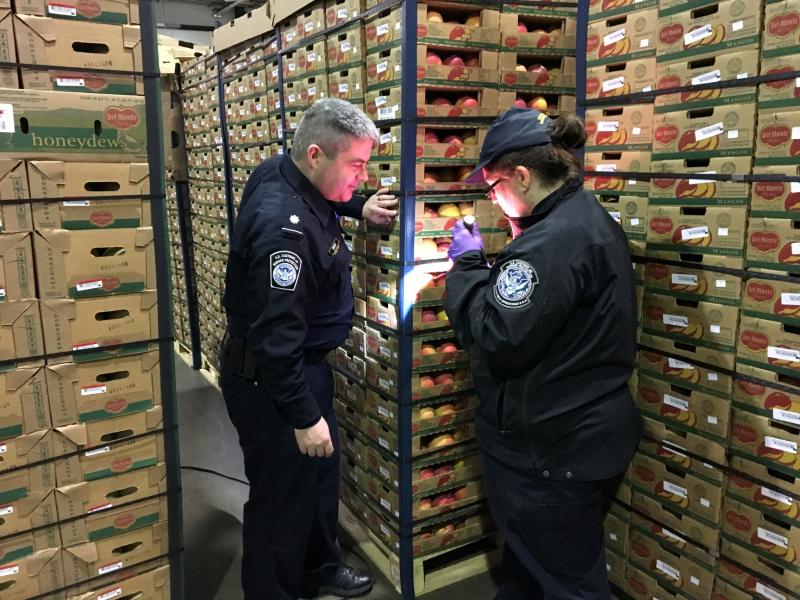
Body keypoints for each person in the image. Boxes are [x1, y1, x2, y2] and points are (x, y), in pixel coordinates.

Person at [444, 108, 642, 600]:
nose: (493, 201)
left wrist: (467, 267)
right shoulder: (581, 218)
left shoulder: (550, 243)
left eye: (493, 189)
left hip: (552, 450)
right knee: (535, 567)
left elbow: (495, 335)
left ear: (523, 177)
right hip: (578, 431)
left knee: (568, 583)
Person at [219, 98, 398, 600]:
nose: (362, 177)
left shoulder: (280, 170)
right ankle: (273, 591)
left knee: (319, 479)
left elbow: (318, 190)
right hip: (273, 381)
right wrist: (303, 415)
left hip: (304, 371)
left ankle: (320, 565)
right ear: (317, 154)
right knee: (281, 499)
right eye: (357, 166)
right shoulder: (284, 232)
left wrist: (354, 205)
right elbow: (275, 342)